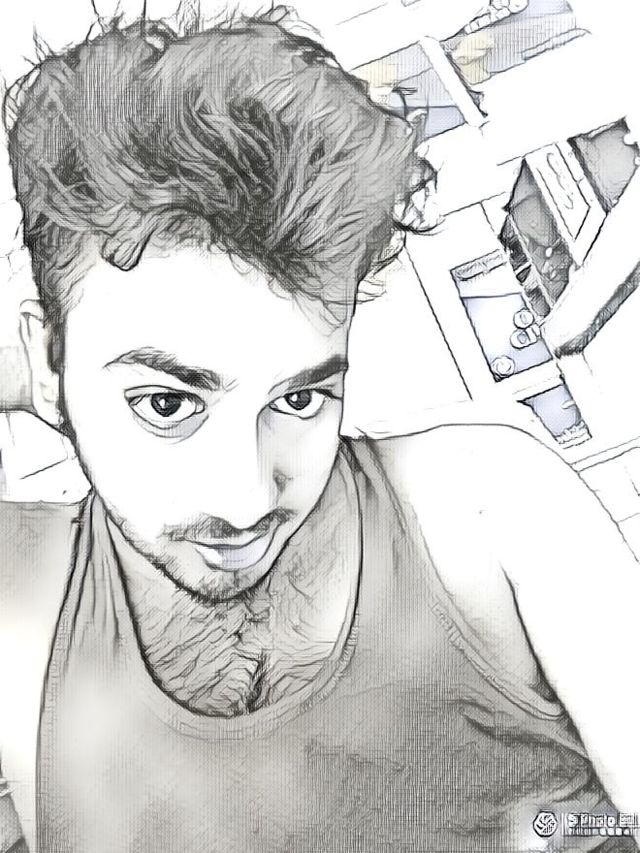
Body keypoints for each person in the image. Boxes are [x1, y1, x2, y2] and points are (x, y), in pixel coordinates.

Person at [1, 9, 639, 853]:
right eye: (167, 404)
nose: (246, 500)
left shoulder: (487, 505)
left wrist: (559, 828)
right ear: (47, 364)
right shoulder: (19, 593)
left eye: (300, 399)